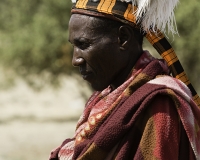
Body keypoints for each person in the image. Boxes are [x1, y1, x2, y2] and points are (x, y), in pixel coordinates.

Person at [49, 0, 200, 159]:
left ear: (123, 38)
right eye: (74, 46)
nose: (75, 60)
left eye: (84, 45)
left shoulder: (159, 104)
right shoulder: (104, 98)